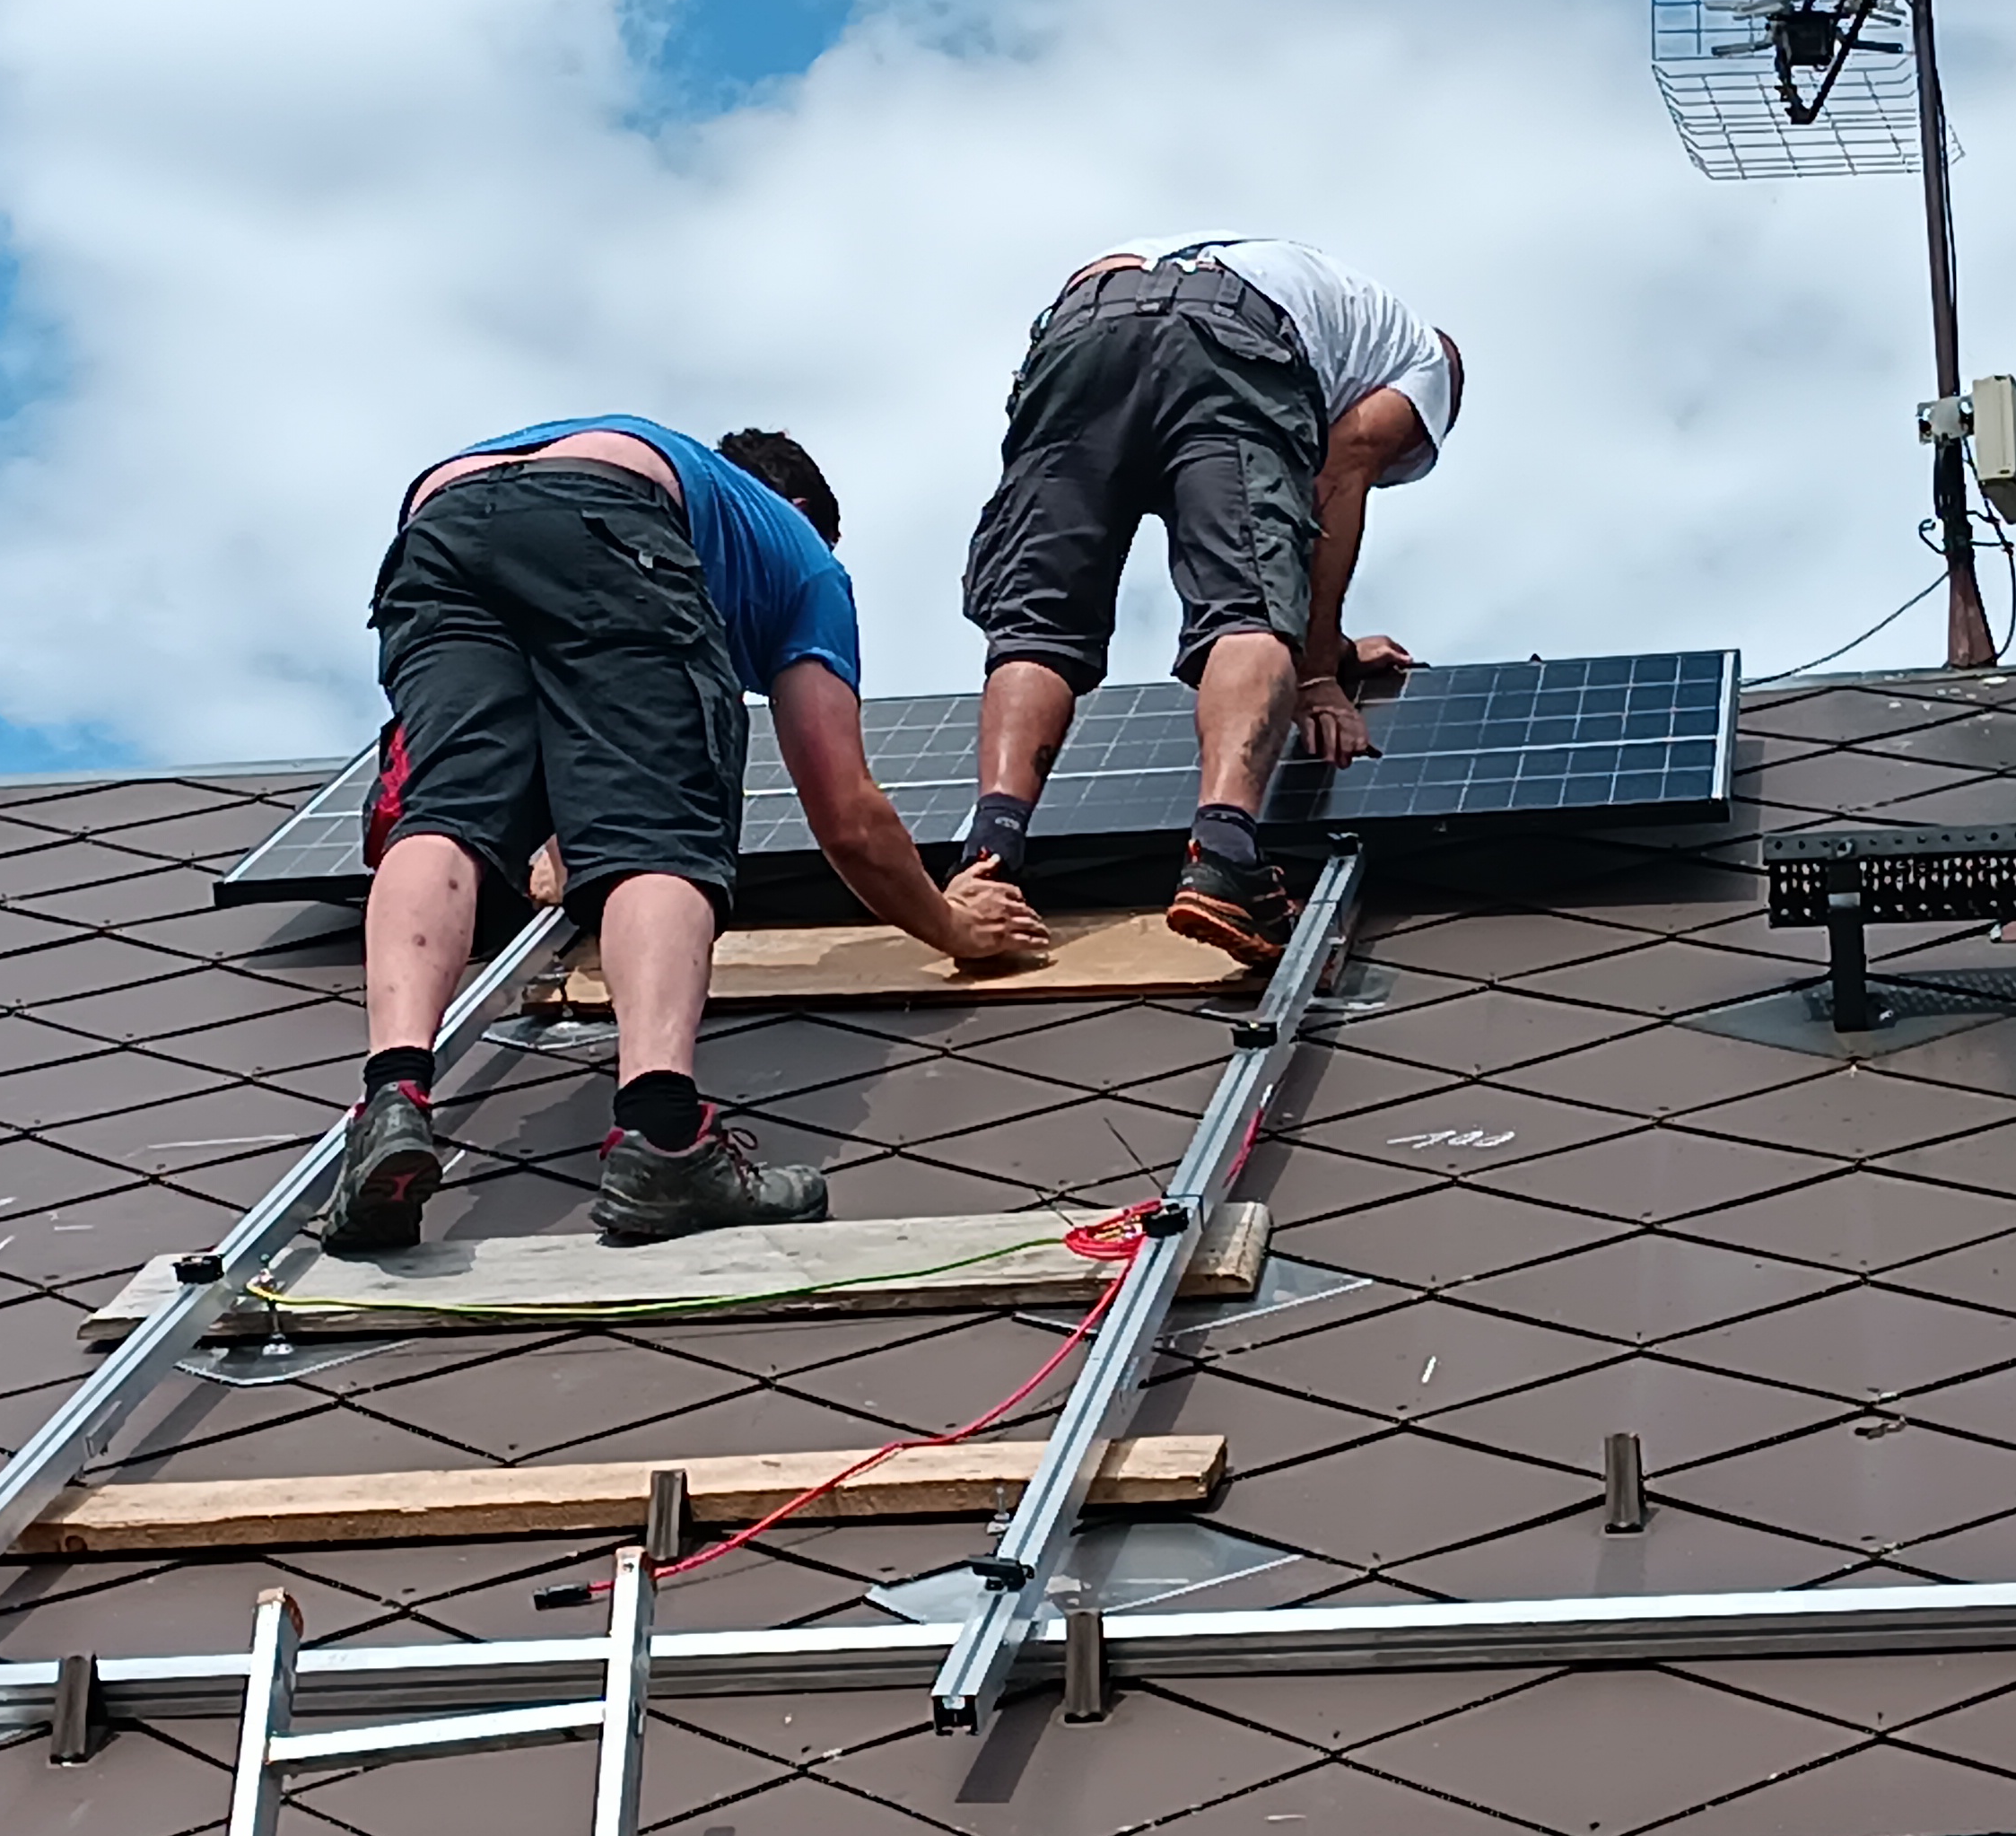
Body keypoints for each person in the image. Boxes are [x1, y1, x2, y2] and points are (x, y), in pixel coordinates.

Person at [330, 418, 1047, 1255]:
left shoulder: (641, 466)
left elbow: (564, 717)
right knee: (659, 833)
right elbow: (843, 809)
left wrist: (570, 835)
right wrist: (953, 924)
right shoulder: (805, 556)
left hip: (439, 520)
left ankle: (391, 1098)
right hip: (605, 519)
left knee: (446, 815)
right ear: (801, 507)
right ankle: (664, 1140)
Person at [958, 236, 1459, 964]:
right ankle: (1225, 854)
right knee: (1251, 606)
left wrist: (1341, 648)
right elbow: (1337, 475)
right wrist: (1320, 675)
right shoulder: (1426, 369)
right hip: (1229, 345)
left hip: (1082, 327)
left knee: (1042, 625)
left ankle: (989, 854)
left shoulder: (1324, 297)